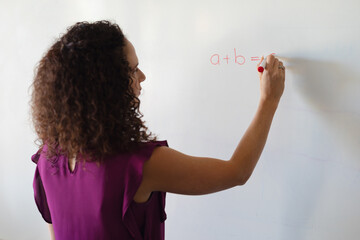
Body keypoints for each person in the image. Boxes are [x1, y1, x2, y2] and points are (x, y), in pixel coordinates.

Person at [30, 20, 285, 240]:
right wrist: (269, 101)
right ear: (107, 85)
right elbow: (236, 172)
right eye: (132, 69)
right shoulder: (139, 165)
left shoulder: (47, 159)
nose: (142, 76)